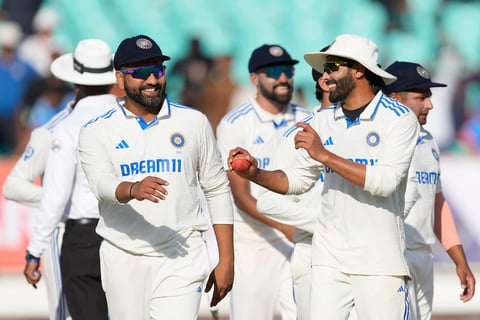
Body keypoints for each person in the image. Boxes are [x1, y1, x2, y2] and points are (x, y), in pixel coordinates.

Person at [227, 34, 420, 320]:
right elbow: (297, 180)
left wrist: (325, 155)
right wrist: (255, 173)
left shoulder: (399, 118)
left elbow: (386, 181)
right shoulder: (322, 121)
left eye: (333, 67)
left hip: (379, 260)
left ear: (359, 69)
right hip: (328, 259)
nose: (325, 77)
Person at [77, 34, 234, 320]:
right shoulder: (97, 129)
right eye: (141, 73)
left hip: (182, 251)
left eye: (157, 71)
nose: (152, 80)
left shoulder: (193, 122)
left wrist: (226, 259)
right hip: (123, 253)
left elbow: (217, 188)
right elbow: (99, 183)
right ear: (120, 79)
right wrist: (132, 188)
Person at [23, 38, 118, 320]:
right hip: (131, 232)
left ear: (75, 82)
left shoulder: (66, 127)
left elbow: (55, 196)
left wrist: (34, 251)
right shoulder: (129, 117)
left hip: (85, 238)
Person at [216, 44, 311, 320]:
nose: (283, 78)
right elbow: (241, 196)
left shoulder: (307, 119)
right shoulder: (235, 124)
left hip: (300, 239)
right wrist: (284, 226)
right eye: (274, 72)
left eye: (287, 71)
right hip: (254, 243)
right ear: (255, 79)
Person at [383, 60, 476, 320]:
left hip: (423, 258)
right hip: (391, 259)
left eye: (429, 97)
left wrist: (459, 260)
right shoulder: (378, 142)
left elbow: (437, 202)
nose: (430, 104)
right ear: (394, 99)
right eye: (421, 97)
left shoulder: (428, 141)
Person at [3, 95, 73, 320]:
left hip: (112, 234)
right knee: (67, 313)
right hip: (68, 232)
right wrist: (67, 203)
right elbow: (13, 186)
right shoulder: (52, 131)